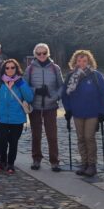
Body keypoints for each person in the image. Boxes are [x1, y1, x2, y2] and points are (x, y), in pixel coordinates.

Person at [61, 50, 104, 177]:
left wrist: (103, 111)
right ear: (75, 62)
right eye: (79, 61)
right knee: (81, 138)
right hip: (77, 112)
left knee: (89, 137)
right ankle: (84, 163)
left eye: (84, 61)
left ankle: (92, 165)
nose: (82, 63)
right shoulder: (71, 76)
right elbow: (65, 94)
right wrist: (68, 109)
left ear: (89, 62)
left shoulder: (96, 76)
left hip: (92, 112)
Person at [0, 59, 33, 174]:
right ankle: (2, 162)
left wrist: (21, 85)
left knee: (13, 143)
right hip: (2, 119)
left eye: (12, 67)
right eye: (7, 67)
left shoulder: (21, 81)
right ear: (4, 69)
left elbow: (29, 98)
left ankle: (11, 164)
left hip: (17, 119)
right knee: (2, 142)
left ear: (16, 68)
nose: (10, 70)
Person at [26, 43, 64, 172]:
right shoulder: (30, 69)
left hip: (50, 106)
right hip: (35, 106)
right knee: (36, 135)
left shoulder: (55, 68)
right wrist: (35, 90)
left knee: (52, 136)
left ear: (48, 53)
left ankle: (54, 161)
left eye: (44, 53)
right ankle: (36, 159)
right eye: (39, 53)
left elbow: (61, 86)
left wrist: (55, 97)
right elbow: (24, 86)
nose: (41, 55)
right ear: (35, 54)